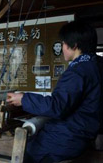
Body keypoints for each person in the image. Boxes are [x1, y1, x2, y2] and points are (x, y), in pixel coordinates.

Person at [7, 20, 103, 163]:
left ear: (74, 45)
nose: (63, 47)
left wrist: (23, 99)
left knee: (27, 152)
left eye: (64, 43)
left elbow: (58, 106)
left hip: (67, 138)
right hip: (86, 133)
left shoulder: (78, 71)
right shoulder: (97, 65)